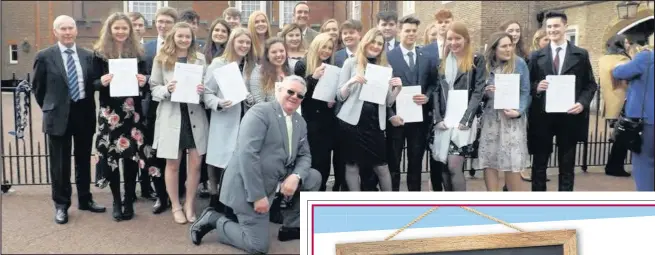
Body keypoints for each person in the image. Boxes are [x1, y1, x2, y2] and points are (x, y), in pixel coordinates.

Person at [189, 75, 322, 254]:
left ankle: (292, 226)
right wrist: (257, 196)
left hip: (277, 178)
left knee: (313, 177)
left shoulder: (300, 122)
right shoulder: (260, 112)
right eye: (290, 91)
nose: (294, 97)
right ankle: (215, 219)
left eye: (300, 95)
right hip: (248, 186)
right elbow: (246, 155)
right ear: (279, 90)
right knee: (257, 246)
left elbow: (305, 155)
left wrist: (296, 176)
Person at [32, 15, 106, 224]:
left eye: (70, 28)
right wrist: (51, 107)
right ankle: (61, 205)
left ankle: (85, 199)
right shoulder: (44, 56)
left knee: (83, 159)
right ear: (55, 32)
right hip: (57, 116)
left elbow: (93, 83)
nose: (67, 32)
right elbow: (38, 88)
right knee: (59, 164)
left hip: (84, 112)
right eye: (62, 29)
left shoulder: (88, 55)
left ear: (76, 30)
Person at [91, 12, 153, 220]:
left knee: (131, 157)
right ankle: (116, 200)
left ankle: (129, 200)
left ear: (130, 31)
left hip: (131, 113)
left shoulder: (138, 52)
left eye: (124, 28)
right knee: (112, 158)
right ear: (110, 29)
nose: (120, 32)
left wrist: (144, 81)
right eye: (116, 28)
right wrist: (102, 82)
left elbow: (145, 83)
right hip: (110, 113)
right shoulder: (99, 53)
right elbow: (92, 83)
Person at [527, 12, 598, 191]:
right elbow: (526, 84)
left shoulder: (580, 55)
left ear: (565, 27)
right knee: (539, 164)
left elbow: (590, 84)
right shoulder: (537, 56)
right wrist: (537, 87)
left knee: (567, 166)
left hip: (569, 116)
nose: (552, 30)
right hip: (543, 116)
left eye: (556, 26)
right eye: (549, 27)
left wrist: (582, 103)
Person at [149, 22, 209, 224]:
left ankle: (189, 203)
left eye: (188, 36)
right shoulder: (162, 59)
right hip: (171, 114)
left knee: (196, 162)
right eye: (180, 36)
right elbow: (154, 89)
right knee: (173, 163)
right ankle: (175, 205)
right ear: (173, 37)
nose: (184, 39)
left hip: (195, 115)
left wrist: (202, 91)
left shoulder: (199, 59)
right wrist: (167, 89)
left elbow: (207, 89)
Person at [336, 28, 402, 191]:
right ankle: (357, 205)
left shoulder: (385, 67)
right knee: (352, 166)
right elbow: (339, 96)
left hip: (375, 125)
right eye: (373, 41)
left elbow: (387, 103)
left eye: (380, 44)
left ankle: (390, 206)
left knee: (382, 167)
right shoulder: (351, 62)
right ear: (366, 42)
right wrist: (350, 82)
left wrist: (397, 90)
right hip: (351, 123)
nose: (376, 46)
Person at [203, 27, 257, 211]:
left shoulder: (252, 66)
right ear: (232, 42)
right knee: (221, 159)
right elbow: (207, 93)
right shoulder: (219, 64)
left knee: (239, 161)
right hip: (225, 117)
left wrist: (251, 98)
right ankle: (216, 197)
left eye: (247, 42)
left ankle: (233, 199)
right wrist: (218, 103)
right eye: (240, 41)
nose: (244, 45)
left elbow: (256, 92)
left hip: (246, 119)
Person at [431, 22, 486, 191]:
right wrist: (437, 119)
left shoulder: (477, 60)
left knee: (455, 166)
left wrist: (467, 119)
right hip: (445, 121)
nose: (453, 42)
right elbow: (436, 92)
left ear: (466, 39)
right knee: (445, 167)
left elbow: (478, 91)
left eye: (457, 38)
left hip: (464, 121)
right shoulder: (442, 63)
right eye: (450, 39)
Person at [473, 31, 531, 191]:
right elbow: (477, 92)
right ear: (494, 48)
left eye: (510, 45)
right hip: (491, 118)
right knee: (490, 160)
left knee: (512, 162)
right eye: (504, 46)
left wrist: (519, 111)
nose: (508, 49)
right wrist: (485, 92)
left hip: (512, 119)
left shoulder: (519, 63)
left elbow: (525, 91)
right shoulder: (485, 65)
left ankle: (513, 204)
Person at [386, 15, 438, 191]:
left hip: (419, 118)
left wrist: (428, 96)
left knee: (415, 163)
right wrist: (390, 115)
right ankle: (393, 200)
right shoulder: (389, 56)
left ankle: (414, 199)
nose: (411, 34)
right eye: (407, 30)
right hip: (396, 119)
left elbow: (433, 82)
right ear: (400, 31)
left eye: (414, 31)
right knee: (394, 163)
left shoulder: (426, 56)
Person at [143, 7, 178, 215]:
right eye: (159, 21)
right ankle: (160, 196)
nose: (162, 25)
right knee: (154, 152)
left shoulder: (182, 48)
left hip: (174, 106)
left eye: (167, 22)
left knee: (174, 153)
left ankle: (175, 192)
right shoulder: (146, 49)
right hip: (151, 106)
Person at [293, 33, 338, 191]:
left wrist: (333, 100)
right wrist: (313, 78)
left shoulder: (330, 67)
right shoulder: (302, 65)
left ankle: (321, 196)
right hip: (309, 122)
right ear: (316, 46)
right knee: (309, 163)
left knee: (324, 164)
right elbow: (297, 94)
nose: (326, 51)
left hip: (326, 121)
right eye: (323, 46)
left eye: (330, 48)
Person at [612, 46, 654, 191]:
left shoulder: (646, 57)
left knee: (644, 163)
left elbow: (619, 72)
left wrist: (619, 64)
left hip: (647, 121)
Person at [422, 9, 454, 191]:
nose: (443, 25)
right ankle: (436, 190)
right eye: (440, 22)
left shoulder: (459, 47)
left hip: (455, 109)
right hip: (433, 110)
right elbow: (426, 80)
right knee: (435, 154)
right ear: (435, 25)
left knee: (452, 155)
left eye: (447, 21)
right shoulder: (426, 51)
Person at [599, 34, 632, 177]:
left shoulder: (603, 59)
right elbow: (629, 79)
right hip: (624, 101)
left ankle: (613, 165)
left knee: (619, 136)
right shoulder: (623, 59)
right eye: (625, 42)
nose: (628, 45)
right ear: (619, 44)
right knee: (623, 137)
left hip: (609, 102)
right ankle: (614, 166)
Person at [250, 37, 292, 104]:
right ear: (267, 55)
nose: (278, 55)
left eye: (281, 51)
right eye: (274, 52)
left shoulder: (291, 70)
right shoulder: (259, 72)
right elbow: (258, 101)